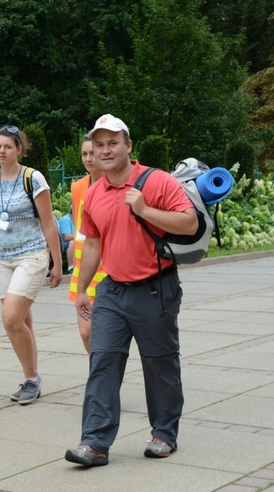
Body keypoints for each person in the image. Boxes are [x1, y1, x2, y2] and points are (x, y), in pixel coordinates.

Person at [64, 114, 197, 467]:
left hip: (155, 289)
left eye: (113, 143)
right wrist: (80, 290)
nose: (105, 151)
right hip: (111, 291)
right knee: (102, 361)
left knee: (159, 365)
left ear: (128, 145)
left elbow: (189, 222)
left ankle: (164, 434)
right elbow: (92, 245)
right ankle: (94, 443)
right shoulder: (93, 193)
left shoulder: (157, 181)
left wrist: (144, 209)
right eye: (99, 144)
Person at [0, 125, 62, 405]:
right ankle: (32, 377)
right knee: (21, 320)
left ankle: (31, 380)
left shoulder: (33, 178)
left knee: (11, 319)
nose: (2, 151)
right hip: (2, 260)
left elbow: (48, 223)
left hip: (31, 255)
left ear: (19, 149)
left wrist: (57, 262)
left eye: (8, 146)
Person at [68, 136, 107, 354]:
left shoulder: (114, 184)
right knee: (86, 333)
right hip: (84, 271)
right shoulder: (77, 187)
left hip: (109, 271)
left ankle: (103, 381)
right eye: (84, 154)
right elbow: (78, 230)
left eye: (92, 153)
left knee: (102, 334)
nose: (89, 158)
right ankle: (99, 377)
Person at [57, 205, 74, 273]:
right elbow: (67, 237)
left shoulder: (80, 220)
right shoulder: (65, 220)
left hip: (78, 241)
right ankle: (71, 268)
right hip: (63, 244)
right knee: (73, 243)